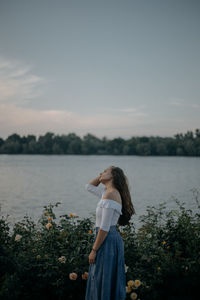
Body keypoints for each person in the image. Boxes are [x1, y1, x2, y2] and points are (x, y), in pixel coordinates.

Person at [84, 165, 135, 300]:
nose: (102, 172)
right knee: (101, 277)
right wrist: (101, 176)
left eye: (105, 171)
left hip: (106, 240)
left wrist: (94, 250)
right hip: (107, 239)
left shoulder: (110, 194)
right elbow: (88, 187)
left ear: (113, 176)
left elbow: (104, 228)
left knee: (101, 277)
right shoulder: (107, 192)